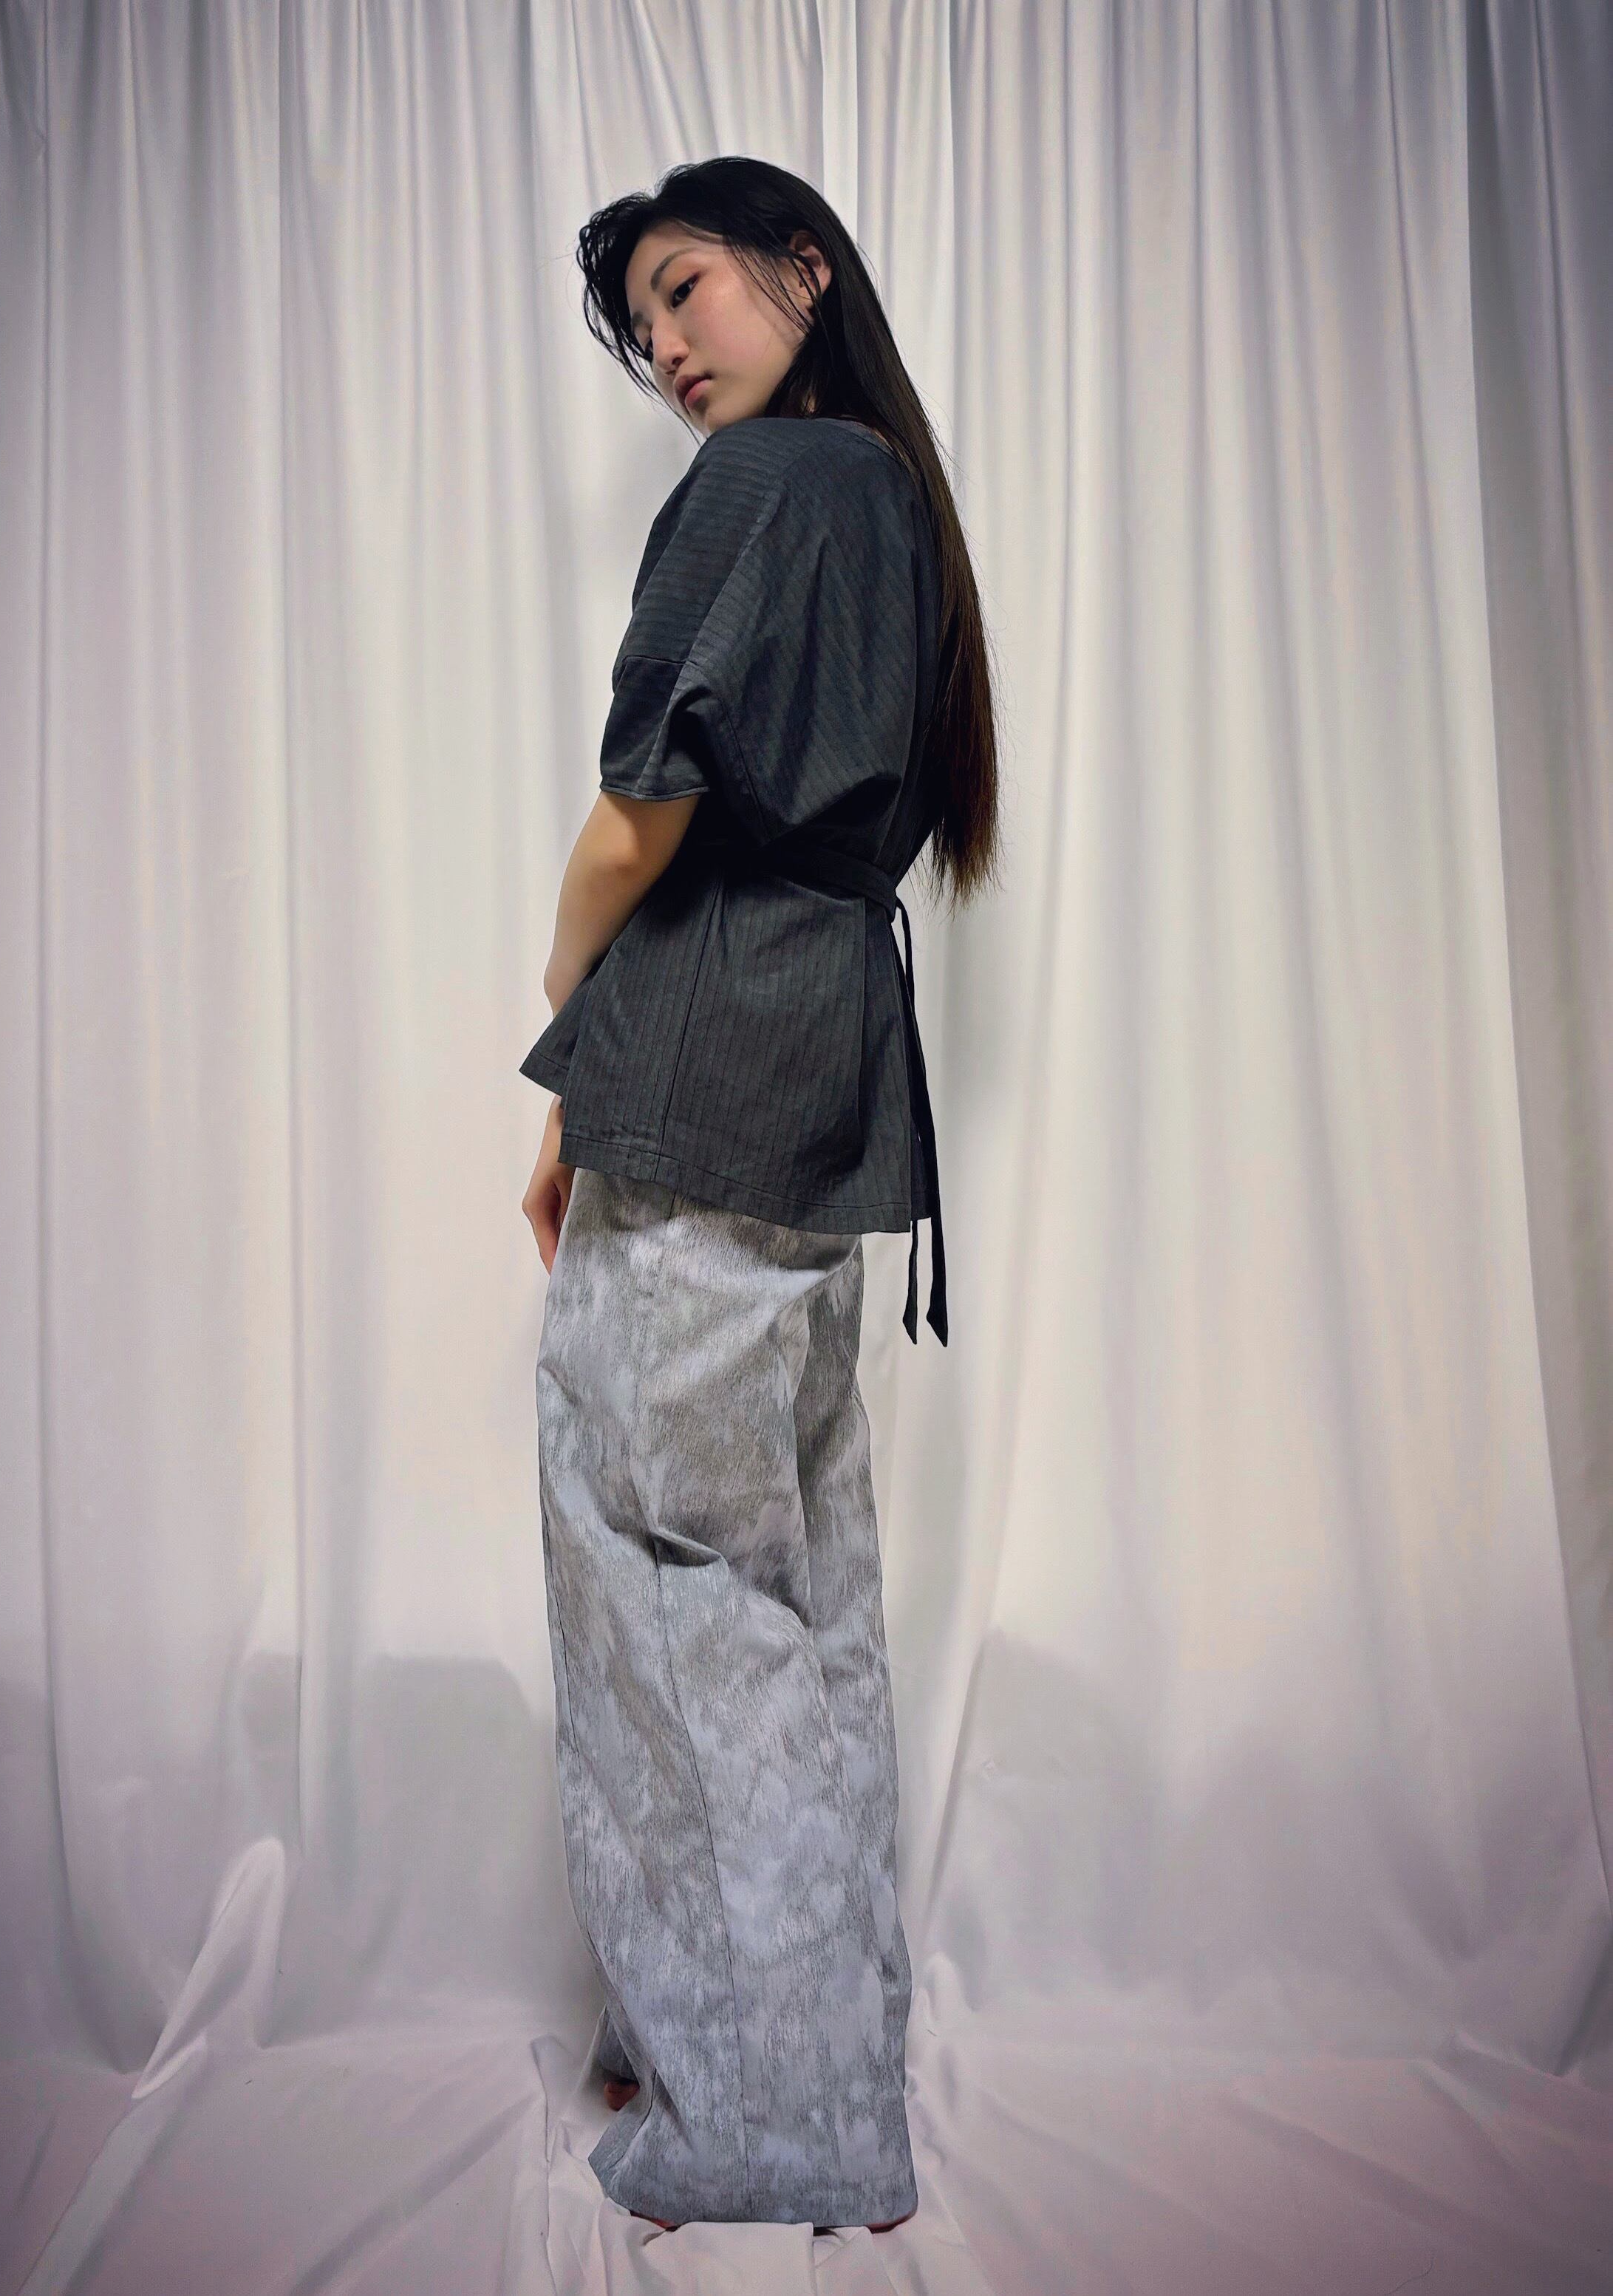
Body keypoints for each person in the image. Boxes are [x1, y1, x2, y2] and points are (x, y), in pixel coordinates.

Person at [517, 155, 1003, 2235]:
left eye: (688, 286)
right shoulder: (893, 502)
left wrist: (564, 1012)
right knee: (799, 1587)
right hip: (815, 1074)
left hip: (704, 1051)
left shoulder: (762, 484)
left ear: (806, 270)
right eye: (645, 322)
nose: (669, 344)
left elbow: (641, 814)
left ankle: (763, 2110)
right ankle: (799, 2049)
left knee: (668, 1581)